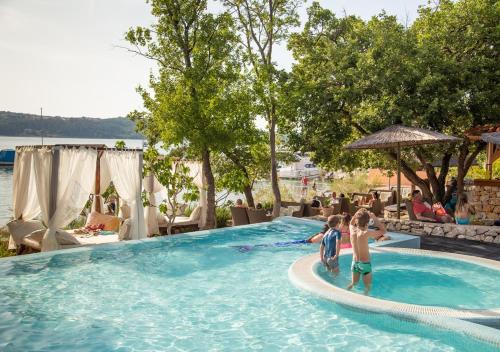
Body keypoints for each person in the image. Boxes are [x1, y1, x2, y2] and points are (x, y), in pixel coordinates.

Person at [347, 209, 387, 295]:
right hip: (365, 264)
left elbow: (350, 223)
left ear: (356, 222)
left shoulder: (352, 230)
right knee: (367, 287)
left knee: (354, 283)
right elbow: (383, 231)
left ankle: (344, 294)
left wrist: (357, 213)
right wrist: (374, 217)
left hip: (355, 263)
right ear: (367, 223)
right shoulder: (366, 233)